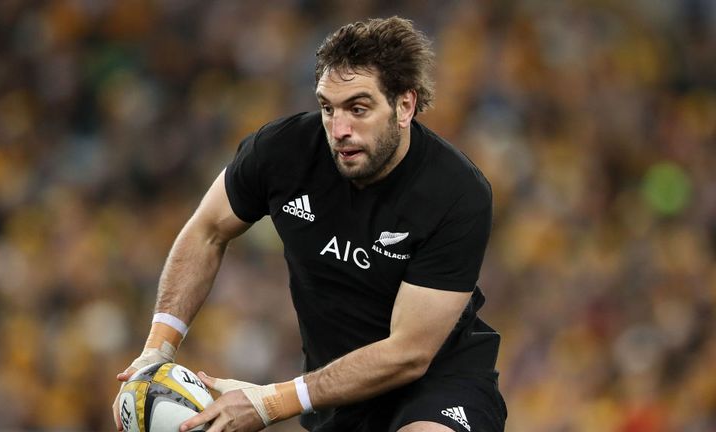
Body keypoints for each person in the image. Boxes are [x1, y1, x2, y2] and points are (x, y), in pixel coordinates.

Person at [113, 16, 506, 432]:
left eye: (358, 108)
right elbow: (207, 230)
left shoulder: (457, 192)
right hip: (336, 395)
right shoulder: (282, 152)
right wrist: (157, 350)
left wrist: (271, 402)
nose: (339, 130)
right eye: (327, 108)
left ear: (404, 105)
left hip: (440, 384)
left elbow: (408, 353)